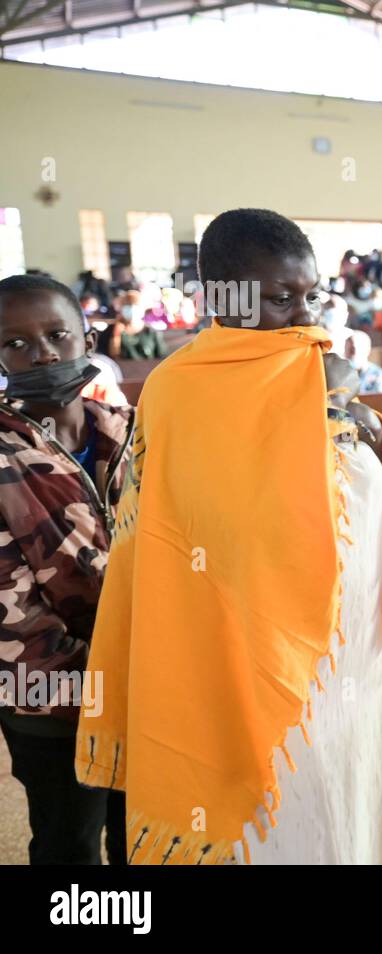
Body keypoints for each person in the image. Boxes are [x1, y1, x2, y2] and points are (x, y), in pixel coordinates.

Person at [76, 208, 382, 865]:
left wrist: (363, 429)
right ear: (221, 299)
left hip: (353, 652)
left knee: (350, 800)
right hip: (247, 650)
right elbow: (180, 534)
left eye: (312, 297)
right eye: (280, 300)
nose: (304, 317)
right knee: (282, 819)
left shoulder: (329, 377)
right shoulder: (180, 391)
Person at [0, 274, 132, 865]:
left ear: (89, 338)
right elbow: (15, 623)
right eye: (17, 344)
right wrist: (106, 680)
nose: (44, 354)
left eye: (58, 335)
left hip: (147, 685)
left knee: (145, 829)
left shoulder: (131, 431)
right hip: (50, 701)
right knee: (68, 841)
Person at [343, 329, 382, 394]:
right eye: (349, 350)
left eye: (354, 350)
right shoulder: (340, 374)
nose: (353, 355)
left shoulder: (376, 373)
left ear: (367, 350)